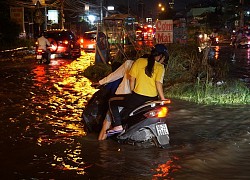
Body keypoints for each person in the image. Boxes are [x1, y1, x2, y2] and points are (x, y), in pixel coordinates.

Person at [107, 44, 169, 135]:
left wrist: (132, 91)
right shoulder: (160, 67)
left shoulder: (139, 61)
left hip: (137, 98)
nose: (164, 61)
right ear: (160, 56)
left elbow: (132, 79)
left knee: (111, 101)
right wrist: (163, 99)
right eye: (164, 58)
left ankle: (118, 125)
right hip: (153, 99)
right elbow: (158, 83)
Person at [92, 59, 135, 140]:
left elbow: (114, 75)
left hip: (123, 97)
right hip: (138, 99)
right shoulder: (153, 67)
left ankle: (100, 145)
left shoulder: (129, 64)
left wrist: (100, 82)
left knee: (106, 123)